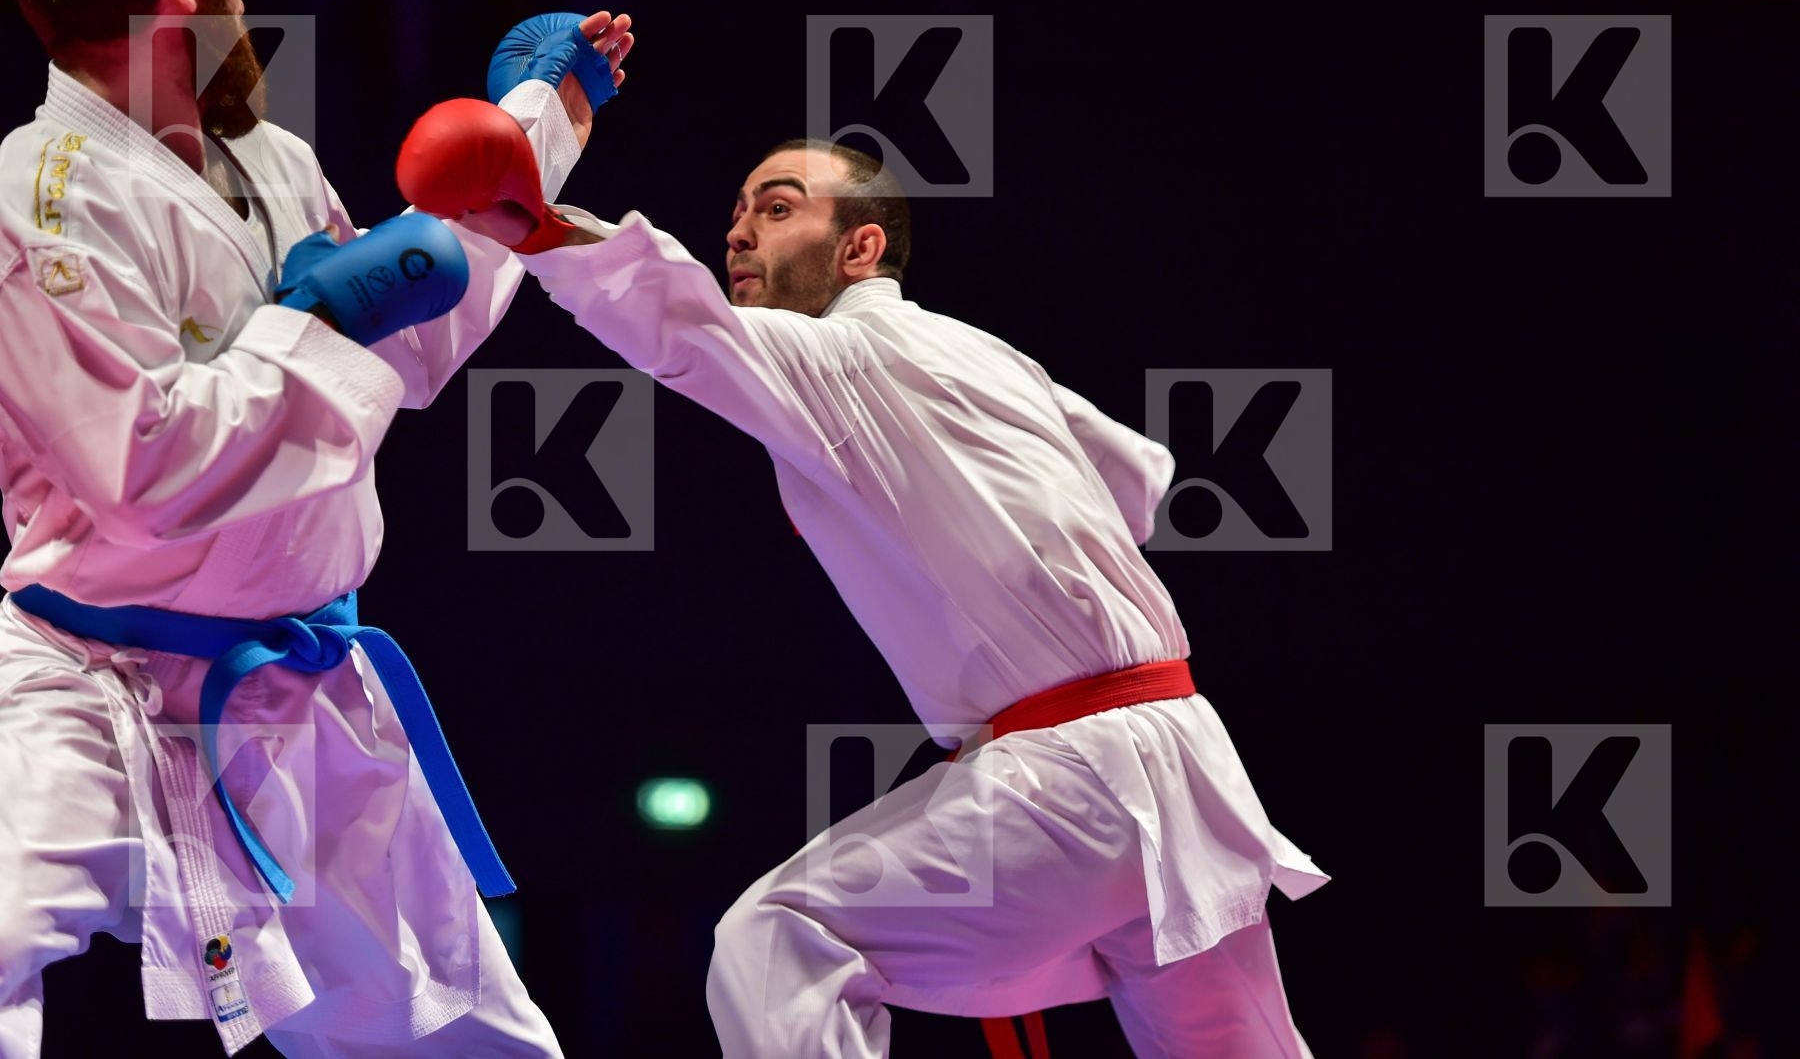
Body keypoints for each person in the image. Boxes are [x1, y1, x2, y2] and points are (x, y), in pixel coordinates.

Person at [442, 121, 1330, 1055]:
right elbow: (1140, 481)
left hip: (1074, 775)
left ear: (860, 248)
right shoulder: (988, 354)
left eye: (778, 210)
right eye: (736, 214)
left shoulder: (842, 357)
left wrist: (537, 229)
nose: (739, 233)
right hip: (1182, 760)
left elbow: (682, 322)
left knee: (781, 938)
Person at [0, 0, 631, 1054]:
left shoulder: (271, 163)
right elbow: (147, 472)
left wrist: (536, 131)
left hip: (298, 687)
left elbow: (411, 335)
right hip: (89, 684)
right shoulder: (36, 198)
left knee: (468, 1039)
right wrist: (318, 323)